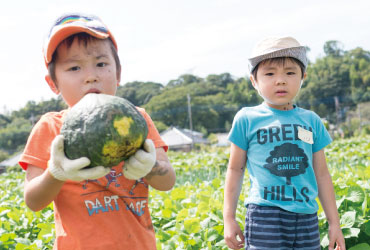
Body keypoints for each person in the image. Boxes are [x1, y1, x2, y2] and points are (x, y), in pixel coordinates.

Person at [19, 13, 176, 250]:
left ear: (118, 73)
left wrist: (151, 167)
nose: (90, 76)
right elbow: (33, 200)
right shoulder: (50, 127)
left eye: (101, 64)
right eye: (74, 67)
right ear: (53, 83)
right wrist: (55, 173)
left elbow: (167, 181)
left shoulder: (137, 117)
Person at [223, 36, 345, 250]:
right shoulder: (247, 119)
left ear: (302, 77)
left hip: (306, 214)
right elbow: (235, 169)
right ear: (254, 81)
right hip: (265, 214)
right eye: (269, 74)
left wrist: (334, 223)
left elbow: (322, 174)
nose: (280, 80)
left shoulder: (311, 121)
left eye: (290, 72)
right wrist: (229, 218)